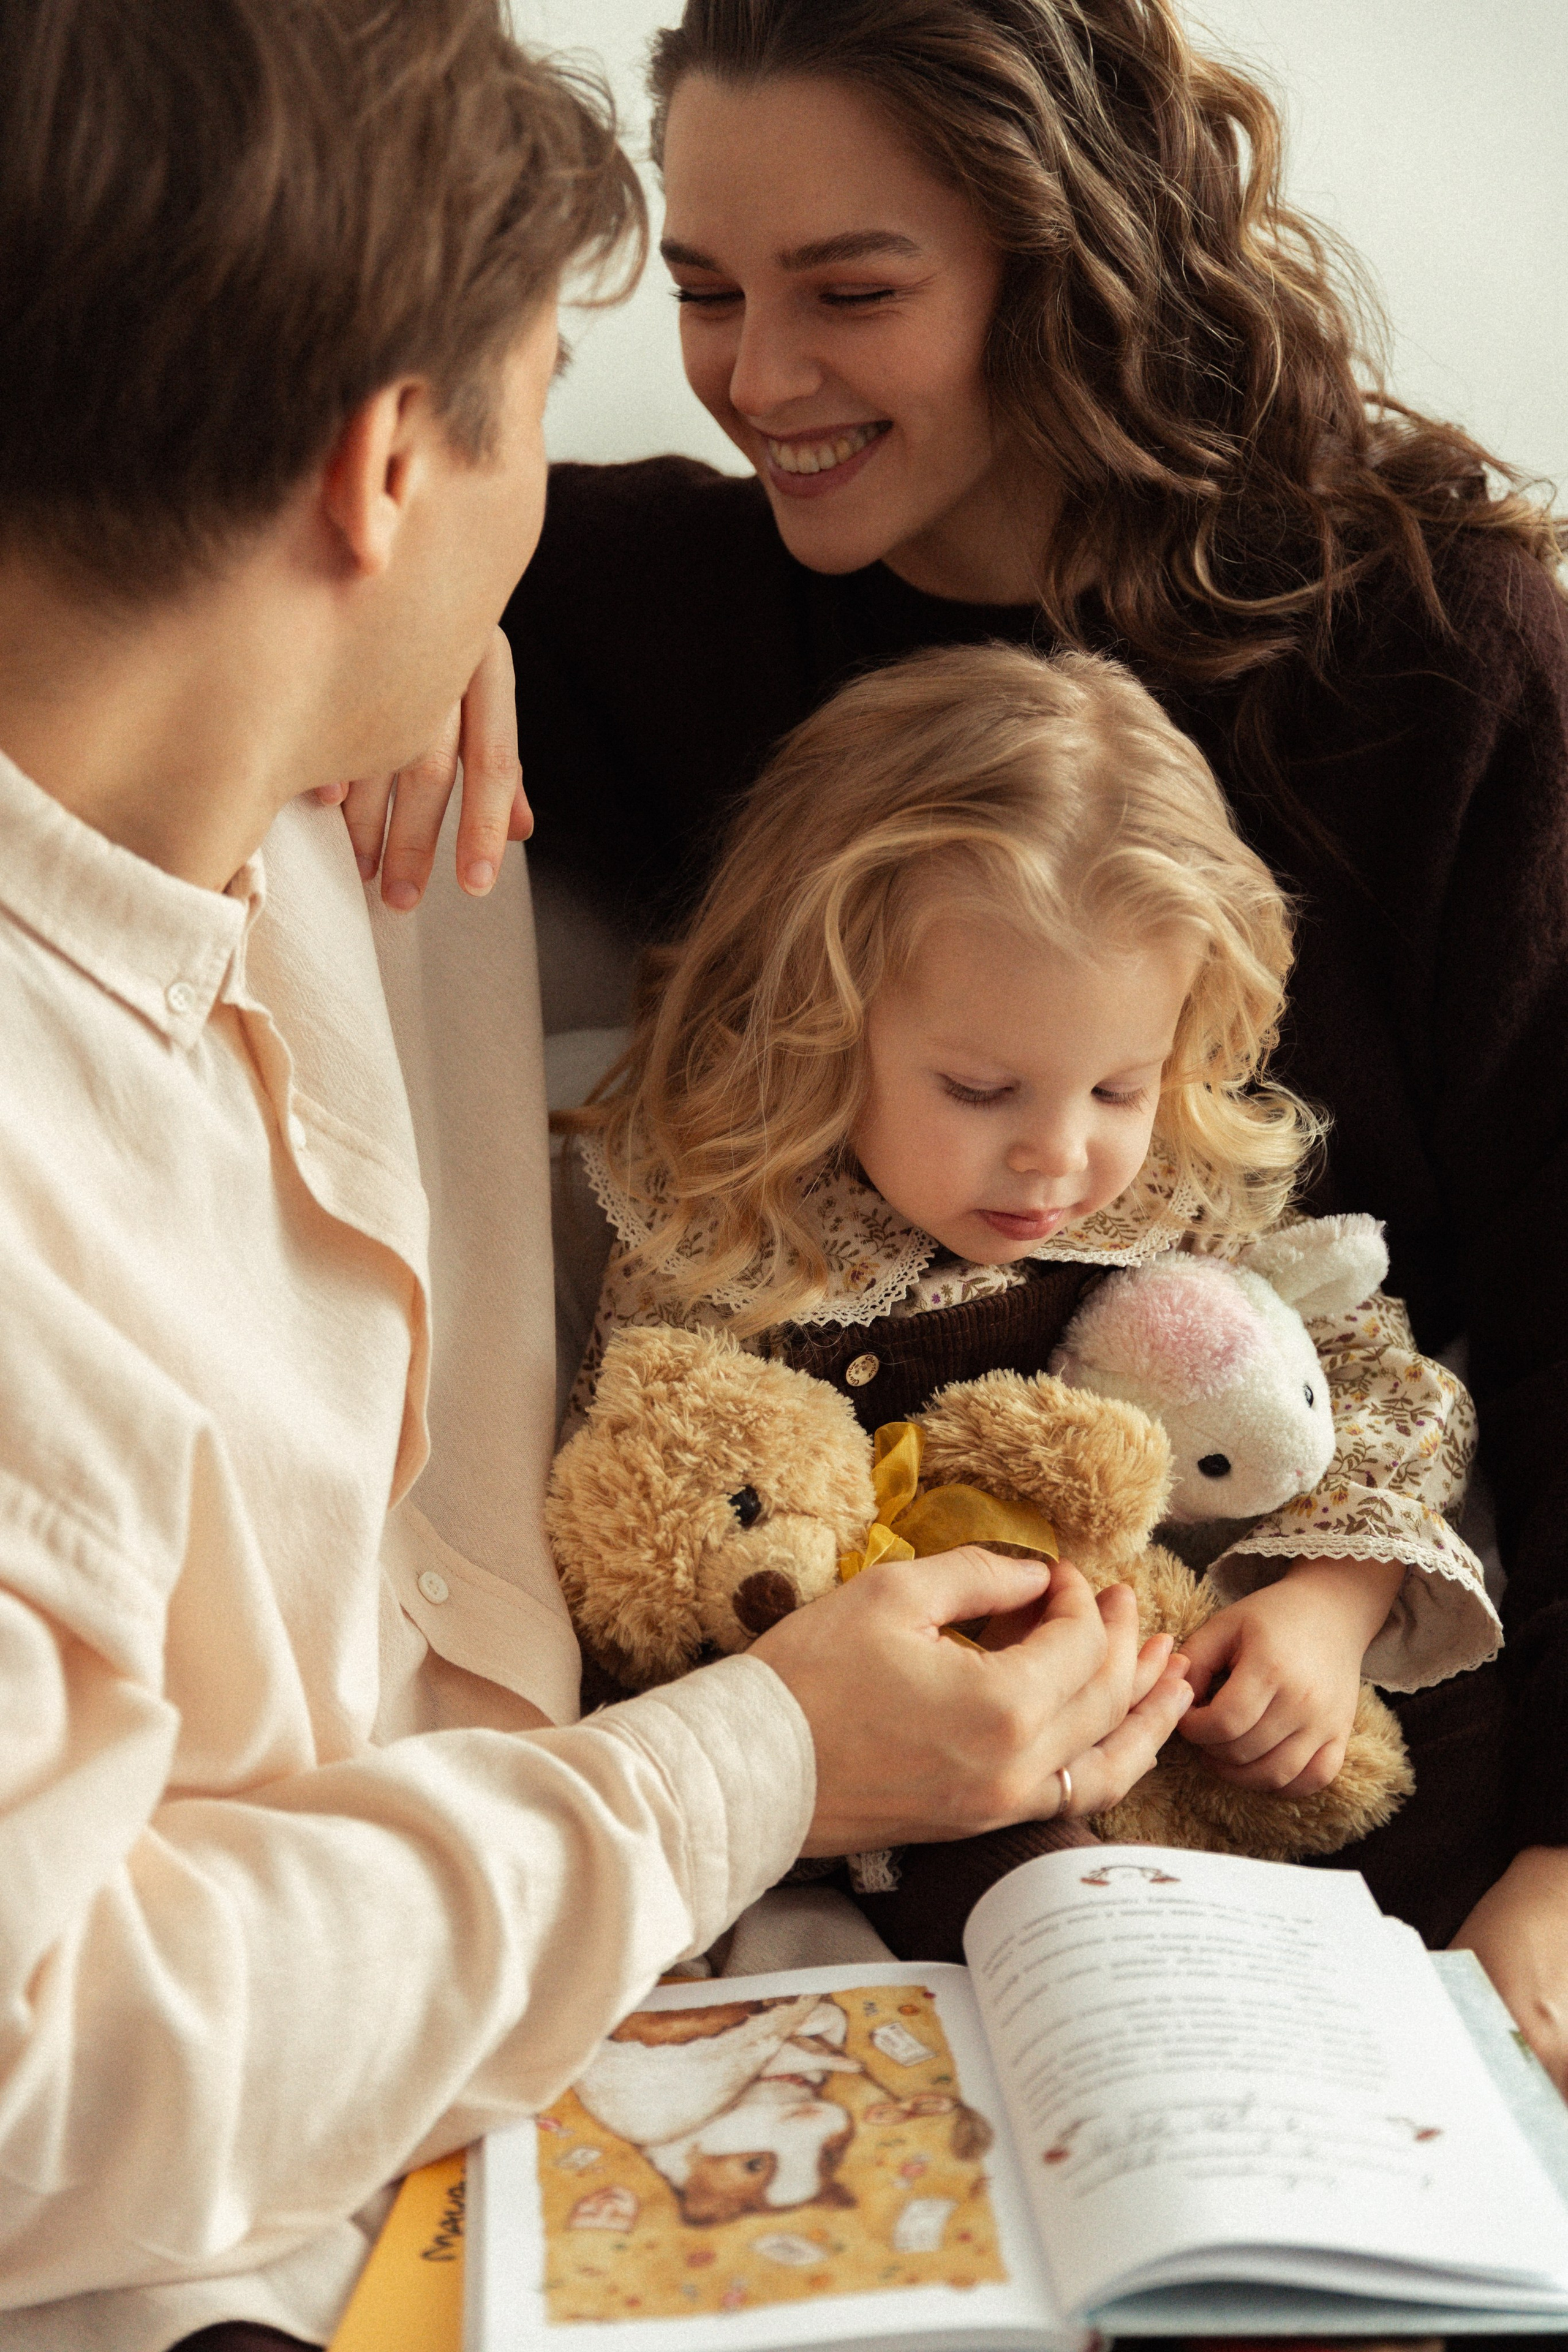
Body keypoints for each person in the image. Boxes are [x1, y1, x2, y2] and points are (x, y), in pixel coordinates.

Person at [0, 3, 1196, 2346]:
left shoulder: (369, 831)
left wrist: (369, 652)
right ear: (378, 468)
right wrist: (764, 1758)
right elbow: (40, 2092)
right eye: (556, 399)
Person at [349, 0, 1568, 2073]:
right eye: (714, 293)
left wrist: (1563, 1852)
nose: (756, 379)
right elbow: (298, 495)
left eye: (853, 291)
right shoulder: (695, 605)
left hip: (1364, 1728)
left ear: (1069, 263)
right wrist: (430, 612)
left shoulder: (1441, 664)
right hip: (910, 1787)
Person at [559, 640, 1495, 1957]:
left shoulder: (1171, 1183)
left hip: (1156, 1701)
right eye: (978, 1091)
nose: (1059, 1157)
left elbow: (1377, 1386)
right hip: (876, 1747)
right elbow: (660, 1504)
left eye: (1117, 1085)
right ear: (818, 1023)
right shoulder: (725, 1222)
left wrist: (1323, 1603)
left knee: (1451, 1776)